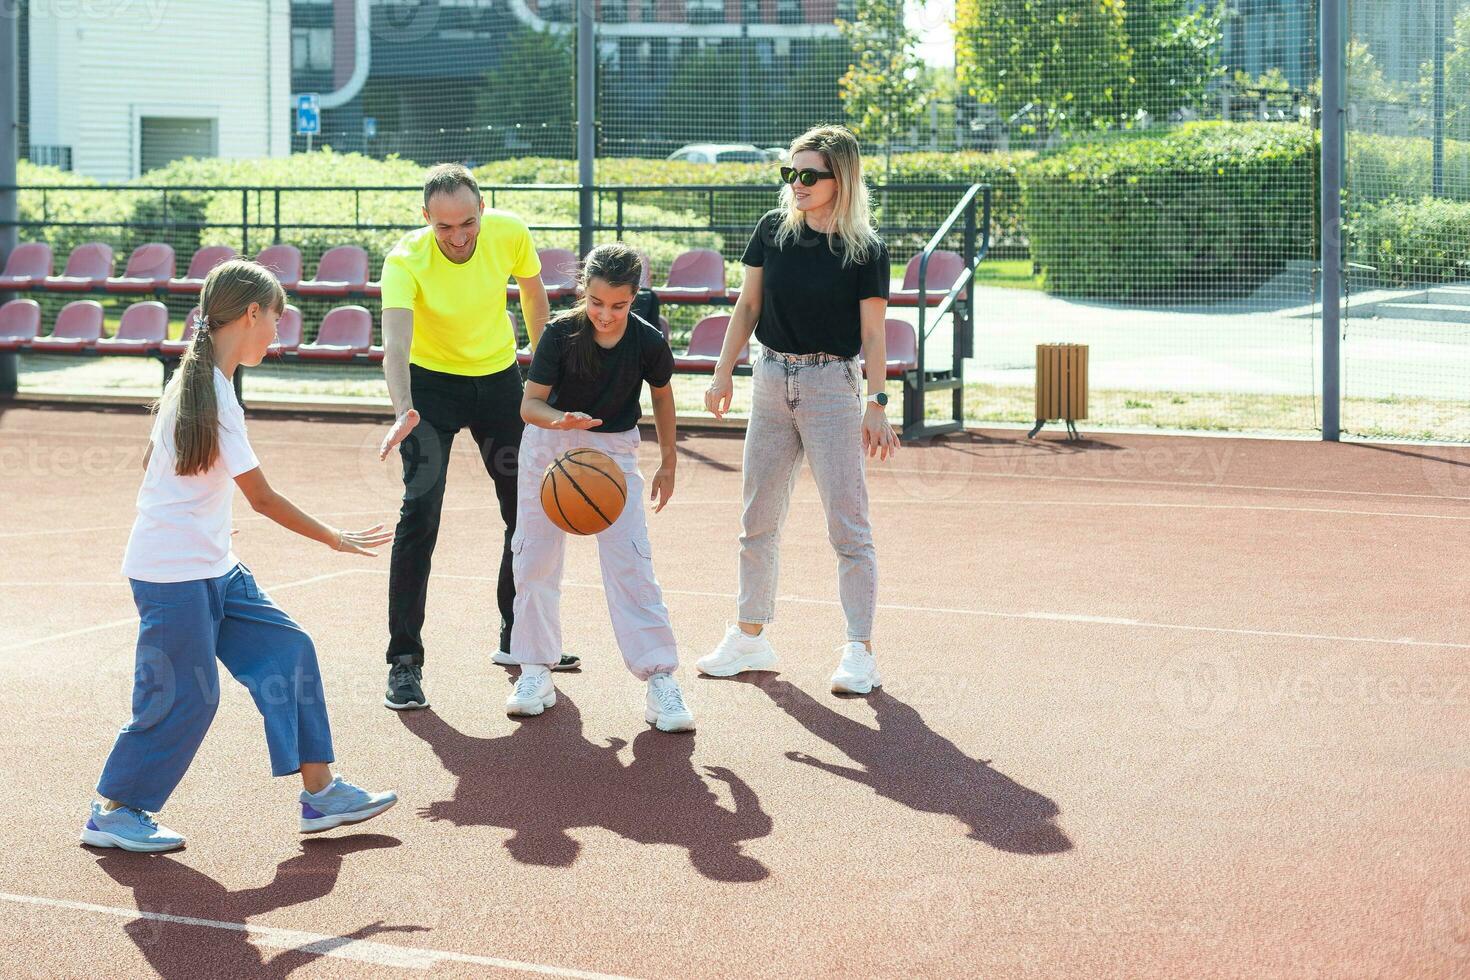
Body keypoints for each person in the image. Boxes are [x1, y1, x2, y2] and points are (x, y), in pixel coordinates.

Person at [82, 259, 398, 854]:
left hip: (213, 567)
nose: (279, 333)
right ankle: (115, 811)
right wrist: (336, 537)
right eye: (277, 319)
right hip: (174, 577)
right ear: (252, 313)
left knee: (289, 650)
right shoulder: (212, 396)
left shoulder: (204, 384)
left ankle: (321, 795)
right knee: (185, 697)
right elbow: (262, 498)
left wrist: (201, 522)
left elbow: (158, 470)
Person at [700, 124, 900, 695]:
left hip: (833, 386)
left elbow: (873, 334)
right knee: (756, 520)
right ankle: (749, 636)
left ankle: (860, 650)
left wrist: (877, 403)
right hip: (769, 378)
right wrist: (722, 373)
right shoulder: (771, 230)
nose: (798, 183)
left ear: (842, 178)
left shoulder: (865, 248)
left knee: (848, 526)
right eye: (791, 172)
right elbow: (747, 305)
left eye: (810, 174)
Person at [376, 163, 577, 712]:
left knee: (526, 509)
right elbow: (395, 344)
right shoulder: (404, 260)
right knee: (420, 514)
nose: (459, 236)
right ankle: (404, 661)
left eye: (467, 222)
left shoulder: (509, 233)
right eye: (444, 227)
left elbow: (536, 302)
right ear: (426, 220)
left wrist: (546, 379)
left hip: (497, 385)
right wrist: (403, 410)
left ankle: (521, 638)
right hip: (429, 394)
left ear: (482, 210)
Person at [506, 243, 693, 732]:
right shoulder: (560, 334)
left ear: (635, 298)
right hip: (550, 445)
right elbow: (530, 406)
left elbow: (663, 395)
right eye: (596, 302)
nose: (605, 314)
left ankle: (660, 681)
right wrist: (562, 421)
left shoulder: (648, 341)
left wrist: (668, 461)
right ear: (582, 292)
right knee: (534, 558)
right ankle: (534, 670)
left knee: (632, 562)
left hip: (612, 452)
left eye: (619, 305)